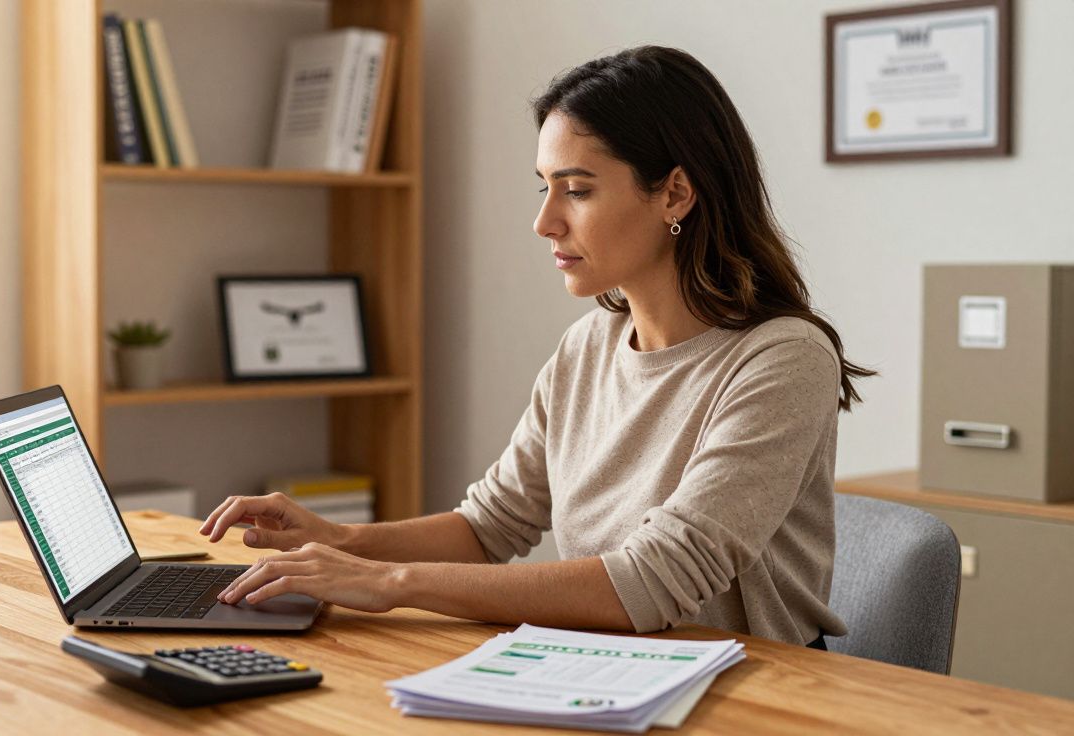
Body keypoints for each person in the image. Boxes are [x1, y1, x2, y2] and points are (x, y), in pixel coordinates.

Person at [200, 46, 874, 647]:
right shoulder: (587, 348)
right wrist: (335, 541)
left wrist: (389, 581)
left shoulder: (782, 360)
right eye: (544, 187)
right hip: (608, 670)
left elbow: (657, 581)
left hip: (755, 694)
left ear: (675, 192)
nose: (544, 221)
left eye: (576, 190)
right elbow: (490, 527)